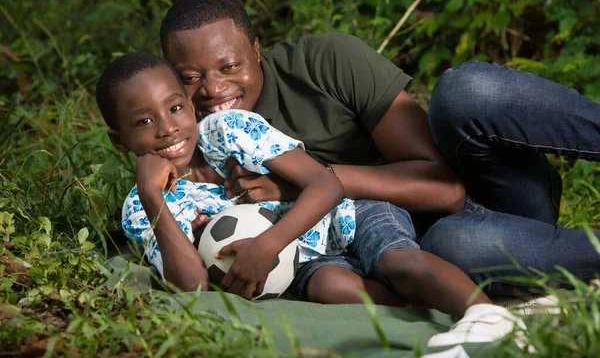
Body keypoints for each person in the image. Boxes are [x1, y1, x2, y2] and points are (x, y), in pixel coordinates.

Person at [159, 0, 600, 302]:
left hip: (495, 194)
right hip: (438, 252)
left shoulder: (324, 63)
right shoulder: (189, 141)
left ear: (256, 50)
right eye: (190, 77)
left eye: (230, 65)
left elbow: (447, 190)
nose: (213, 90)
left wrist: (308, 181)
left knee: (465, 91)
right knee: (453, 245)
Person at [94, 51, 502, 321]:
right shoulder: (141, 207)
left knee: (399, 262)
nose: (168, 129)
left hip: (350, 211)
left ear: (187, 101)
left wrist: (267, 245)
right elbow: (196, 291)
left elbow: (326, 184)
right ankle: (428, 312)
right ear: (119, 140)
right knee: (334, 287)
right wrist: (152, 199)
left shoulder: (228, 129)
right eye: (144, 122)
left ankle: (492, 320)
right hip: (303, 261)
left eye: (175, 107)